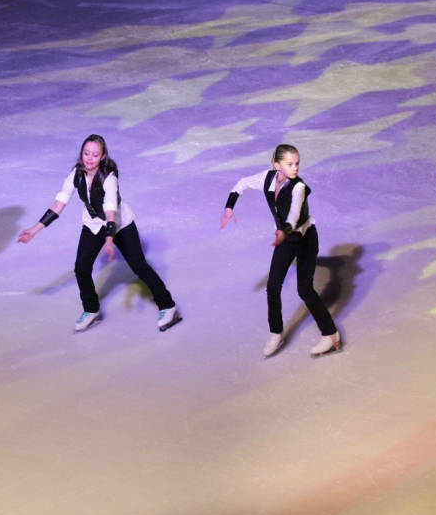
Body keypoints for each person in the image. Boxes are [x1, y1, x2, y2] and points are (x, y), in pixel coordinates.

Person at [18, 134, 180, 333]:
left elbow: (110, 210)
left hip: (119, 224)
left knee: (139, 265)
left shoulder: (109, 178)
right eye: (86, 153)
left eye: (95, 155)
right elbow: (59, 204)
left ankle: (168, 306)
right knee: (81, 268)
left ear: (102, 156)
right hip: (93, 224)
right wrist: (34, 230)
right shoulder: (76, 175)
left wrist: (109, 238)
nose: (89, 158)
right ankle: (91, 310)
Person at [220, 144, 340, 358]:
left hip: (305, 239)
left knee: (305, 290)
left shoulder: (298, 187)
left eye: (297, 163)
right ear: (277, 165)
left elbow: (293, 215)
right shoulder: (266, 178)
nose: (295, 168)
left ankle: (331, 335)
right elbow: (242, 184)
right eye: (290, 164)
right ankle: (277, 332)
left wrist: (283, 231)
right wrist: (229, 207)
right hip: (284, 239)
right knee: (273, 286)